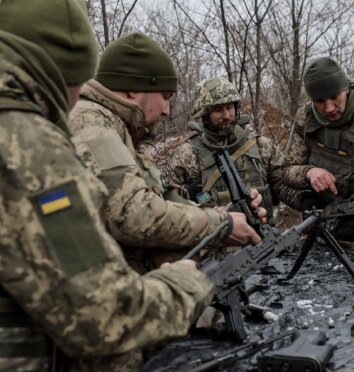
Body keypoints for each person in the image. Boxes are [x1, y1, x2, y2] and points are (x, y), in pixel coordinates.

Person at [0, 1, 220, 370]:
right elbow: (103, 315)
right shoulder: (27, 142)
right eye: (77, 79)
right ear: (60, 72)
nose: (168, 110)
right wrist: (185, 284)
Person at [68, 33, 264, 271]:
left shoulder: (120, 131)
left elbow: (159, 199)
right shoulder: (91, 124)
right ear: (132, 90)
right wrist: (220, 224)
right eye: (165, 96)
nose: (167, 110)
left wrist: (229, 213)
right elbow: (133, 215)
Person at [280, 57, 354, 244]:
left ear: (346, 88)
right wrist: (309, 174)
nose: (329, 108)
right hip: (322, 232)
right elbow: (286, 170)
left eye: (335, 97)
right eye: (320, 101)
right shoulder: (306, 117)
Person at [165, 77, 282, 225]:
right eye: (218, 110)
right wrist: (190, 195)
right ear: (205, 115)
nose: (226, 115)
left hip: (263, 241)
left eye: (229, 107)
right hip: (212, 245)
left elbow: (284, 187)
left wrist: (305, 198)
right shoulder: (186, 156)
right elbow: (165, 208)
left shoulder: (262, 146)